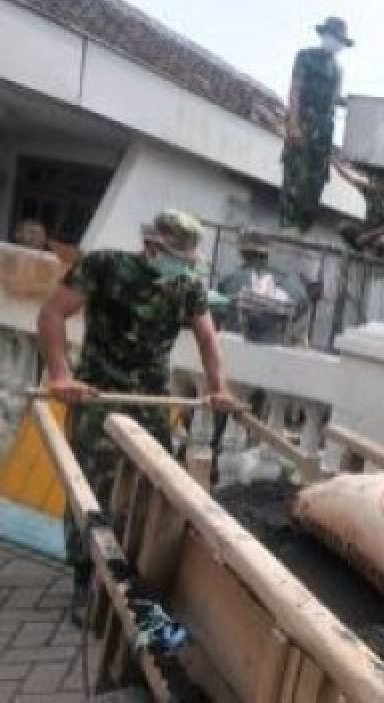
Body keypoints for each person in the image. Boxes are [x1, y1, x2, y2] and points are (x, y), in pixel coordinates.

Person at [37, 210, 241, 623]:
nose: (182, 268)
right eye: (177, 258)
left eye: (187, 262)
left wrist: (219, 387)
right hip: (98, 393)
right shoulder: (104, 266)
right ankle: (83, 579)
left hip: (149, 400)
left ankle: (136, 578)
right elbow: (53, 313)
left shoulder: (185, 287)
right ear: (153, 247)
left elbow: (206, 337)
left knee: (158, 488)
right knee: (90, 489)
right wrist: (61, 374)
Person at [280, 16, 353, 233]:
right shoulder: (305, 57)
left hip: (324, 130)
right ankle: (287, 226)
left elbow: (334, 99)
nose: (336, 43)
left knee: (316, 181)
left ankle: (303, 228)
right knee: (295, 175)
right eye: (333, 37)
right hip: (304, 122)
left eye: (340, 40)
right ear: (324, 36)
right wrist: (293, 124)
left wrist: (353, 104)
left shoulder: (338, 69)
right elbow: (295, 90)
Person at [216, 231, 312, 345]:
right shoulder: (290, 279)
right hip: (278, 346)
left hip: (236, 345)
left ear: (242, 253)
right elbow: (304, 304)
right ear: (268, 253)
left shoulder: (230, 279)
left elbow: (218, 313)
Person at [335, 164, 384, 254]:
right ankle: (360, 248)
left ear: (382, 184)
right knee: (343, 226)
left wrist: (367, 236)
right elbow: (348, 178)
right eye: (371, 181)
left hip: (380, 235)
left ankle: (372, 250)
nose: (372, 184)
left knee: (378, 245)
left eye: (376, 182)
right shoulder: (368, 191)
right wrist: (334, 162)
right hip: (367, 230)